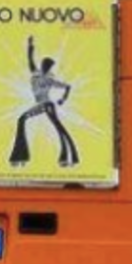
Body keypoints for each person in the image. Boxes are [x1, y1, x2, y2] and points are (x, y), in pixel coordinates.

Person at [9, 35, 79, 169]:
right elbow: (30, 60)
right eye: (44, 65)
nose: (45, 67)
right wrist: (30, 46)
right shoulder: (36, 74)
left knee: (59, 128)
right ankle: (20, 156)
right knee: (22, 119)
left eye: (47, 66)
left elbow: (67, 87)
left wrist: (63, 99)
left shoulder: (49, 79)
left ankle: (69, 157)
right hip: (41, 105)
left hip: (47, 105)